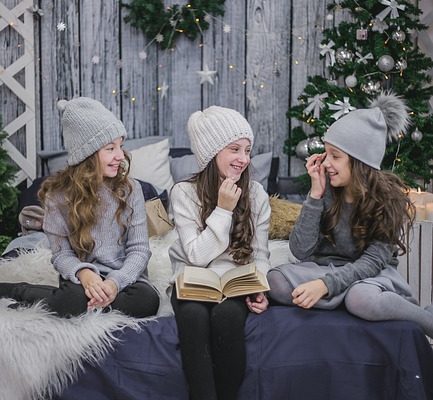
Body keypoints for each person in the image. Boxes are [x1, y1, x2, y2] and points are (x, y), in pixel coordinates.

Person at [268, 92, 433, 338]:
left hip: (370, 275)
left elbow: (372, 262)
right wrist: (314, 195)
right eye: (326, 154)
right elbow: (300, 251)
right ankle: (342, 298)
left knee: (360, 298)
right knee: (275, 281)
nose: (326, 163)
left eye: (336, 156)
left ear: (359, 161)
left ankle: (426, 319)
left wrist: (326, 286)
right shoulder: (326, 191)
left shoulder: (387, 200)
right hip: (325, 268)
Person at [0, 97, 160, 318]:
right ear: (88, 154)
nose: (120, 156)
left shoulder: (130, 189)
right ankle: (20, 290)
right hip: (82, 279)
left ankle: (79, 304)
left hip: (124, 278)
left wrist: (114, 283)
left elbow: (139, 250)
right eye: (110, 148)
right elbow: (61, 254)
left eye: (120, 146)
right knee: (72, 300)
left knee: (147, 302)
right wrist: (84, 273)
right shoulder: (59, 196)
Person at [169, 106, 271, 400]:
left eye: (248, 150)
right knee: (192, 317)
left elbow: (261, 255)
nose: (244, 159)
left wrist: (260, 286)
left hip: (234, 282)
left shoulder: (257, 194)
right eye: (234, 149)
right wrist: (223, 209)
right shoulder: (183, 193)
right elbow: (196, 256)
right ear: (211, 153)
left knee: (227, 318)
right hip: (193, 280)